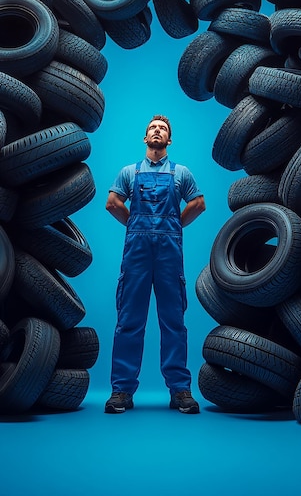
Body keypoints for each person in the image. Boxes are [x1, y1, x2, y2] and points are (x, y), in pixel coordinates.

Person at [104, 115, 206, 414]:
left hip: (168, 252)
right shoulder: (129, 172)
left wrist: (173, 225)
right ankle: (121, 390)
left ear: (169, 140)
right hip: (137, 252)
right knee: (129, 321)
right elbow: (112, 202)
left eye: (162, 129)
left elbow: (198, 203)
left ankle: (180, 391)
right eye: (152, 128)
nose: (157, 131)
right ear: (145, 138)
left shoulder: (181, 173)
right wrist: (136, 225)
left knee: (173, 321)